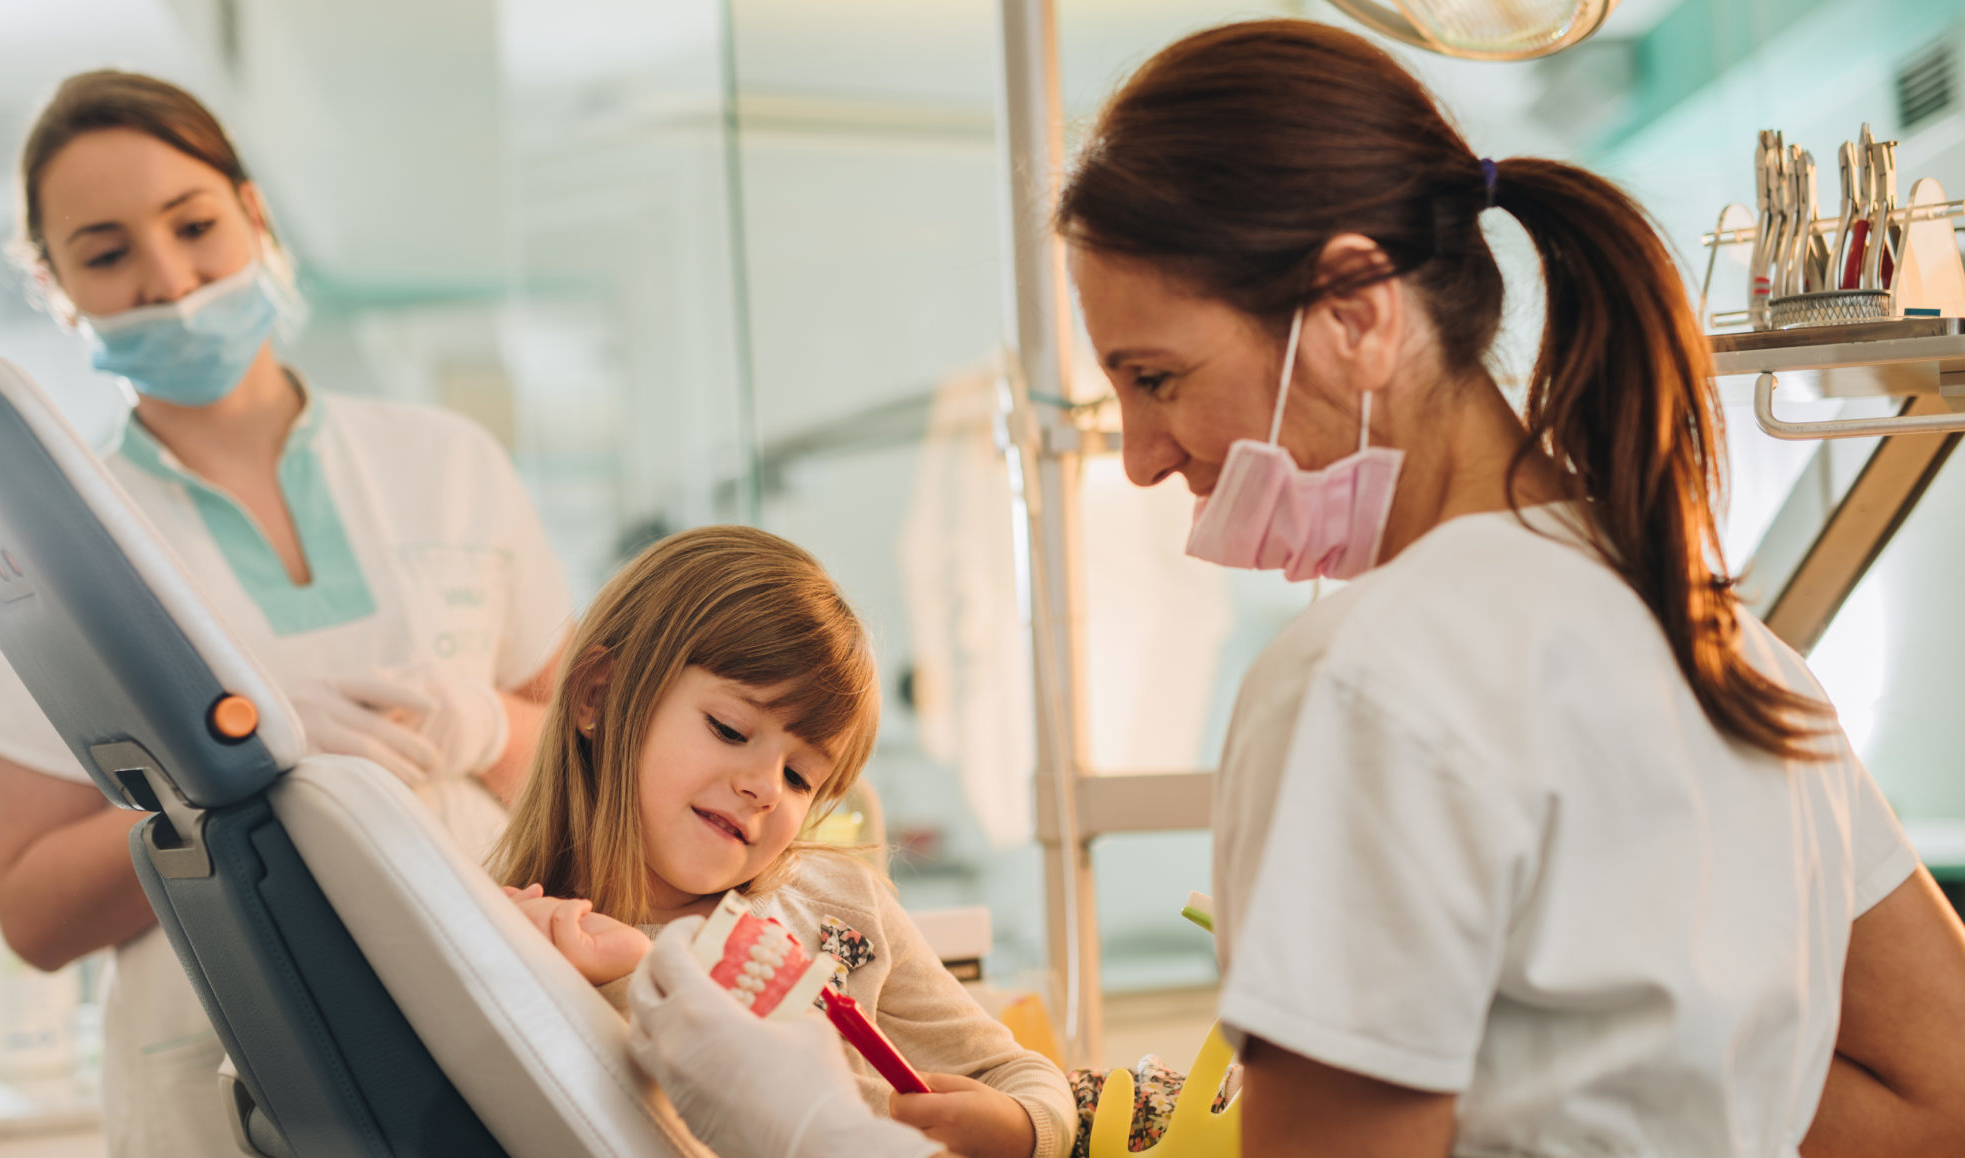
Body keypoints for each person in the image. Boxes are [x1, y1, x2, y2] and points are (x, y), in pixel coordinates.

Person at [626, 18, 1965, 1158]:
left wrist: (815, 1132)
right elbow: (1935, 1094)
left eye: (1156, 378)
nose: (1145, 459)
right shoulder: (1731, 648)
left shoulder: (1369, 678)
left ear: (1355, 311)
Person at [0, 71, 569, 1158]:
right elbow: (31, 912)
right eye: (107, 256)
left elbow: (594, 779)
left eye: (195, 226)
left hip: (505, 1027)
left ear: (254, 216)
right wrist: (215, 778)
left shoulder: (448, 464)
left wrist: (483, 722)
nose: (170, 281)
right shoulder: (55, 557)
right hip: (223, 1088)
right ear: (60, 293)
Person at [490, 525, 1077, 1158]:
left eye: (799, 777)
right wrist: (613, 980)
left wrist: (1022, 1128)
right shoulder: (528, 944)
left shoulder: (841, 904)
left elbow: (1019, 1072)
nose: (765, 789)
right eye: (730, 728)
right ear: (598, 693)